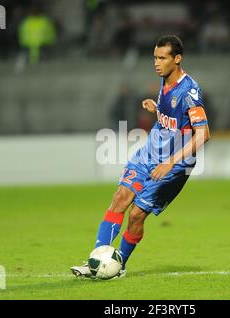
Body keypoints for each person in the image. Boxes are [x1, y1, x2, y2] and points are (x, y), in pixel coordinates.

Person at [71, 35, 211, 278]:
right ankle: (96, 261)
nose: (156, 63)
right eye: (155, 58)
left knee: (136, 215)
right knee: (120, 198)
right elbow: (175, 123)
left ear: (177, 59)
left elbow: (203, 134)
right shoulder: (164, 82)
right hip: (149, 153)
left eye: (162, 58)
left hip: (174, 165)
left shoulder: (190, 91)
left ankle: (118, 265)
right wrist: (157, 111)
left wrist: (170, 162)